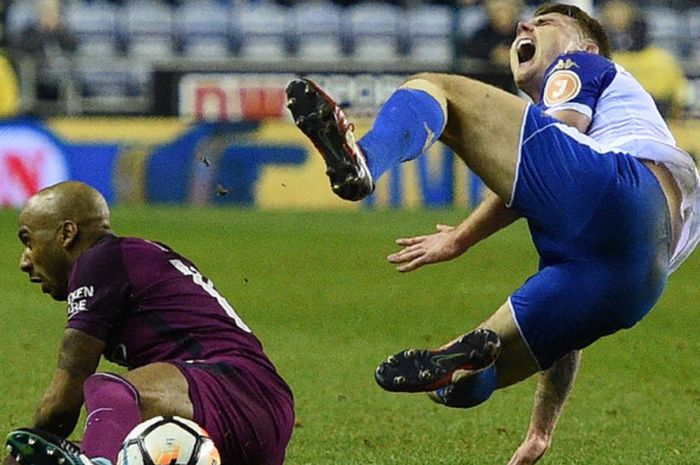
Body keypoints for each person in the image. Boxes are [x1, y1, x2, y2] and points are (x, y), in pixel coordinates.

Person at [286, 3, 700, 464]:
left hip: (619, 191)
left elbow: (560, 143)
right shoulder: (616, 125)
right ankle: (465, 365)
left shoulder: (581, 64)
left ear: (584, 46)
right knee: (459, 380)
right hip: (636, 278)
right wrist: (541, 431)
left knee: (435, 87)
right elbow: (568, 339)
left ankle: (364, 158)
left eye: (546, 24)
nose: (527, 24)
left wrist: (460, 237)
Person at [4, 181, 294, 465]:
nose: (24, 261)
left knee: (109, 390)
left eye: (28, 242)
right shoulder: (131, 255)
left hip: (233, 389)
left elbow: (63, 400)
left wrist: (22, 451)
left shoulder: (98, 260)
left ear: (67, 233)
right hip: (249, 412)